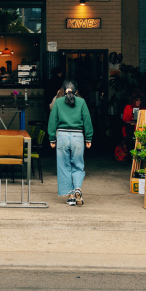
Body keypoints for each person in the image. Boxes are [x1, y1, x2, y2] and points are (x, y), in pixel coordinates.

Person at [48, 79, 93, 207]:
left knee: (64, 166)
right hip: (78, 137)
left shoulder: (58, 102)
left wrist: (52, 138)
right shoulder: (82, 102)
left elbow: (52, 120)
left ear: (63, 90)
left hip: (62, 137)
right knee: (78, 165)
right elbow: (87, 120)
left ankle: (71, 197)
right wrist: (88, 138)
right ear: (76, 91)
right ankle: (77, 188)